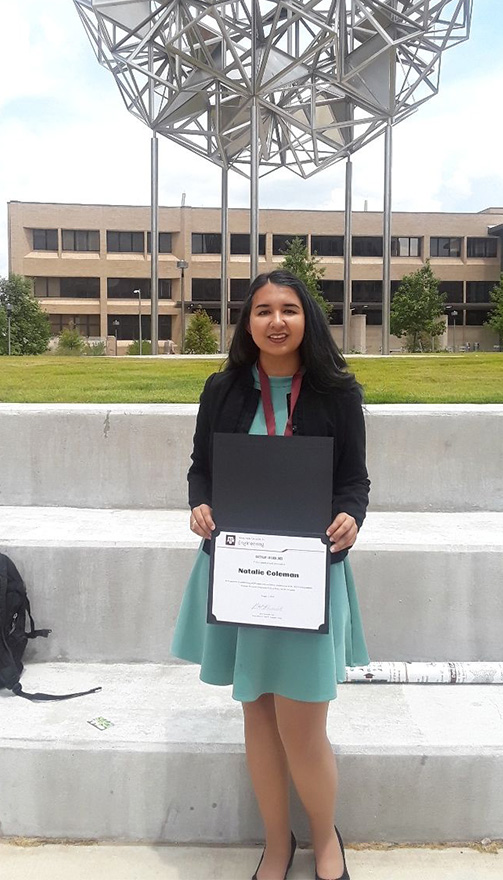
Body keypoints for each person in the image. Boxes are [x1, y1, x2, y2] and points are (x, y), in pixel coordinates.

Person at [171, 270, 370, 880]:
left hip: (308, 578)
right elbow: (201, 468)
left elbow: (353, 482)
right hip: (240, 575)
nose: (276, 321)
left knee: (303, 727)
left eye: (289, 308)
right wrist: (198, 506)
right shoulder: (224, 388)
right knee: (256, 713)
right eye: (262, 310)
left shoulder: (338, 392)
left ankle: (324, 838)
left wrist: (350, 518)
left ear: (307, 317)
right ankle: (276, 844)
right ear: (247, 322)